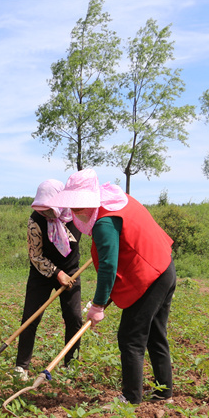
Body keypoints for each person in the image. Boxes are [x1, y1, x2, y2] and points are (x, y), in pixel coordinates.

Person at [51, 168, 176, 405]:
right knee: (155, 334)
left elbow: (109, 266)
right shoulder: (117, 199)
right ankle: (163, 393)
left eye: (79, 204)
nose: (76, 210)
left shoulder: (104, 222)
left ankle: (130, 397)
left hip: (149, 276)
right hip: (164, 268)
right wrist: (104, 299)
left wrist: (98, 305)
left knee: (131, 337)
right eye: (73, 205)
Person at [13, 180, 83, 381]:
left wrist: (65, 273)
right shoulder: (35, 220)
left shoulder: (75, 214)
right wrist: (56, 273)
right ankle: (21, 367)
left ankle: (71, 365)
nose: (47, 214)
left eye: (50, 209)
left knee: (74, 318)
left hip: (71, 271)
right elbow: (35, 256)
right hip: (42, 272)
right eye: (43, 209)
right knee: (30, 318)